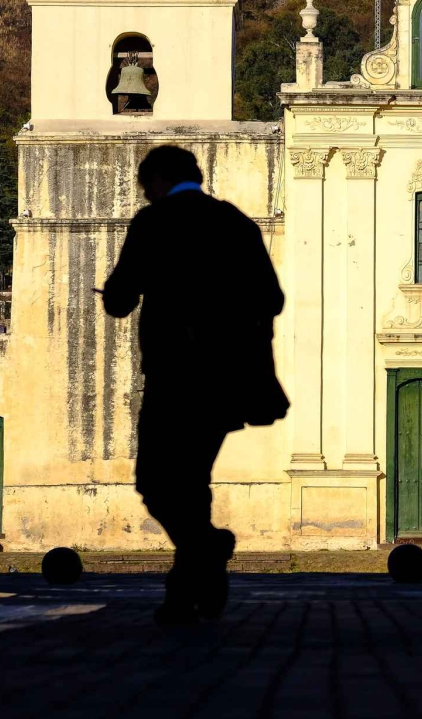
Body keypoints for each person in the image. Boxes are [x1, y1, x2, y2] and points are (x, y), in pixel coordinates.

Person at [102, 145, 287, 625]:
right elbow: (272, 297)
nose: (146, 193)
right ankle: (191, 590)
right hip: (227, 383)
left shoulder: (154, 223)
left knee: (157, 483)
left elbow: (120, 300)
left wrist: (129, 294)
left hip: (173, 378)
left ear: (159, 180)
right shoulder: (236, 224)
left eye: (146, 185)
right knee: (191, 482)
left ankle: (205, 550)